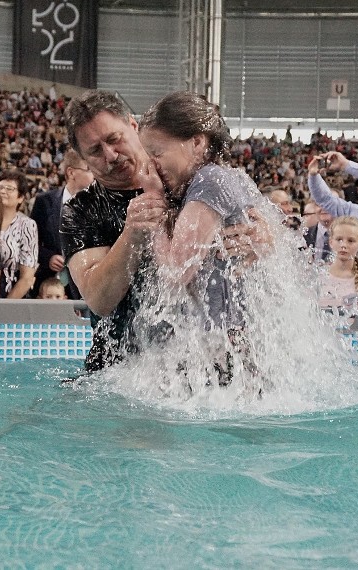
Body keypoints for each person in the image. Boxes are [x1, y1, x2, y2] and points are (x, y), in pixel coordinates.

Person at [60, 90, 266, 372]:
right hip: (121, 365)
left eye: (113, 139)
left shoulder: (185, 175)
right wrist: (134, 233)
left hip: (201, 356)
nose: (110, 155)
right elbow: (98, 300)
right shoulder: (80, 211)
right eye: (95, 151)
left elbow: (255, 217)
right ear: (82, 158)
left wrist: (263, 238)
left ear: (133, 126)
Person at [138, 91, 267, 384]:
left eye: (157, 153)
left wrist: (154, 199)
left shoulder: (210, 182)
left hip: (227, 350)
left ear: (197, 142)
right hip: (235, 346)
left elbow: (174, 274)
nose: (150, 167)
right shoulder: (220, 178)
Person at [30, 148, 94, 299]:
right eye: (89, 169)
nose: (95, 174)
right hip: (49, 287)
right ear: (71, 173)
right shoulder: (44, 201)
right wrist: (49, 257)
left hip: (86, 288)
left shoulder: (100, 204)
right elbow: (32, 243)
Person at [0, 170, 38, 299]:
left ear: (20, 197)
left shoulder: (27, 225)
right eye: (0, 187)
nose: (3, 191)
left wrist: (7, 307)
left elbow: (27, 277)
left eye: (9, 189)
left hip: (9, 294)